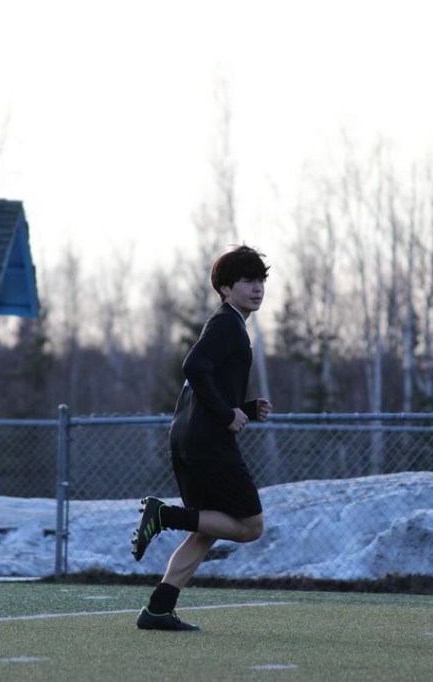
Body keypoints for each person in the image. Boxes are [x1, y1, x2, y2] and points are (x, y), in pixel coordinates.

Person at [131, 245, 272, 632]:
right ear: (225, 289)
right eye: (248, 281)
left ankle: (158, 610)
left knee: (207, 529)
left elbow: (205, 382)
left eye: (261, 280)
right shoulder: (227, 323)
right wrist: (227, 415)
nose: (257, 288)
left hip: (189, 438)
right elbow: (193, 365)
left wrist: (242, 408)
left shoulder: (230, 324)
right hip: (207, 443)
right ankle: (163, 515)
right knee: (250, 526)